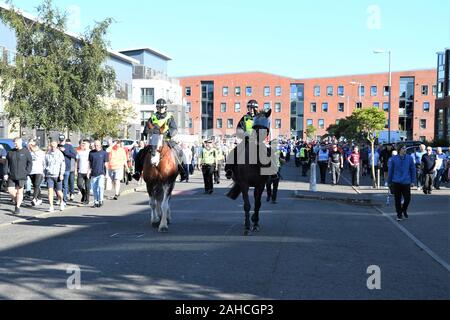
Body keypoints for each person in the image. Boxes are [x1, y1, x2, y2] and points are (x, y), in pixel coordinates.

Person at [133, 99, 187, 181]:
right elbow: (146, 129)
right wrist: (148, 132)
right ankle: (137, 172)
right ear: (157, 108)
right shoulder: (153, 117)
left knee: (180, 152)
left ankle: (183, 172)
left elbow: (174, 129)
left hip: (167, 139)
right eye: (159, 107)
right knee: (139, 154)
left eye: (162, 107)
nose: (161, 109)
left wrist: (169, 133)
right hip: (154, 140)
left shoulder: (169, 117)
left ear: (165, 108)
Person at [4, 137, 33, 214]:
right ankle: (18, 201)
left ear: (20, 143)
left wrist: (27, 172)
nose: (15, 145)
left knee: (19, 192)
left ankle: (17, 207)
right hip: (12, 175)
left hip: (22, 175)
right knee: (10, 191)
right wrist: (5, 173)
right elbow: (6, 164)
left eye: (16, 143)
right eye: (14, 143)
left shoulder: (26, 152)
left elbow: (30, 163)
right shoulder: (10, 152)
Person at [388, 145, 416, 221]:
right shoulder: (393, 159)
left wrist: (413, 181)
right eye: (403, 148)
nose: (405, 149)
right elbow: (390, 171)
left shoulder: (409, 158)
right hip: (396, 181)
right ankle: (399, 214)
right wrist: (389, 182)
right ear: (399, 150)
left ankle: (404, 209)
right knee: (397, 199)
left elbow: (413, 169)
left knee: (407, 198)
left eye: (405, 148)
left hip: (406, 181)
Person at [44, 140, 66, 213]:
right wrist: (44, 173)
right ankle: (51, 206)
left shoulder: (60, 154)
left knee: (59, 192)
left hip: (57, 175)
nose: (53, 147)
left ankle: (62, 201)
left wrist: (61, 174)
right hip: (49, 175)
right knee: (50, 191)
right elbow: (45, 164)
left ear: (56, 146)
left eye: (54, 146)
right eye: (52, 146)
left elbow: (62, 165)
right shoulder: (47, 154)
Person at [88, 140, 109, 208]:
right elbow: (89, 163)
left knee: (100, 186)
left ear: (100, 145)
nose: (96, 146)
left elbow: (106, 164)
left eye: (97, 145)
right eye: (95, 145)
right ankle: (96, 201)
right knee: (94, 188)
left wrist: (107, 174)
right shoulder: (91, 153)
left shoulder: (104, 153)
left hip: (101, 173)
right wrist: (88, 171)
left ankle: (101, 200)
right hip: (94, 173)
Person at [58, 135, 77, 203]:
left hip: (66, 168)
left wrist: (65, 151)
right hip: (58, 168)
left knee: (65, 185)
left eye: (62, 140)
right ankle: (59, 198)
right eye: (60, 140)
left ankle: (64, 199)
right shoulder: (57, 146)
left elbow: (74, 155)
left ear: (64, 140)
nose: (61, 141)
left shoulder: (69, 146)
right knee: (58, 185)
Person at [28, 139, 46, 207]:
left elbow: (44, 162)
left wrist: (44, 171)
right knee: (36, 186)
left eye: (31, 146)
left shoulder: (41, 153)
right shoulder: (30, 152)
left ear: (35, 146)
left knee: (36, 184)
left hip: (39, 171)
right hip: (31, 171)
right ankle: (40, 198)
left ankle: (34, 199)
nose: (30, 147)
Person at [76, 140, 91, 205]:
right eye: (83, 144)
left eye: (84, 144)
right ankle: (83, 194)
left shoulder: (90, 152)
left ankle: (87, 200)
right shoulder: (79, 152)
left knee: (87, 186)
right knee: (79, 184)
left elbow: (91, 162)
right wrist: (76, 169)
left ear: (88, 144)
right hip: (80, 171)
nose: (83, 145)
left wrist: (89, 170)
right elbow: (77, 161)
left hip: (88, 172)